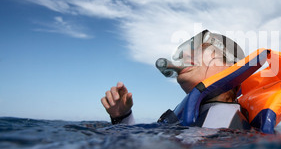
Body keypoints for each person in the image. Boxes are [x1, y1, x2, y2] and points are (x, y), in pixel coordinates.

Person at [101, 30, 246, 128]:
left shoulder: (227, 124)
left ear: (232, 68)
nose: (186, 55)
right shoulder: (195, 116)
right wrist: (121, 117)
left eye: (203, 48)